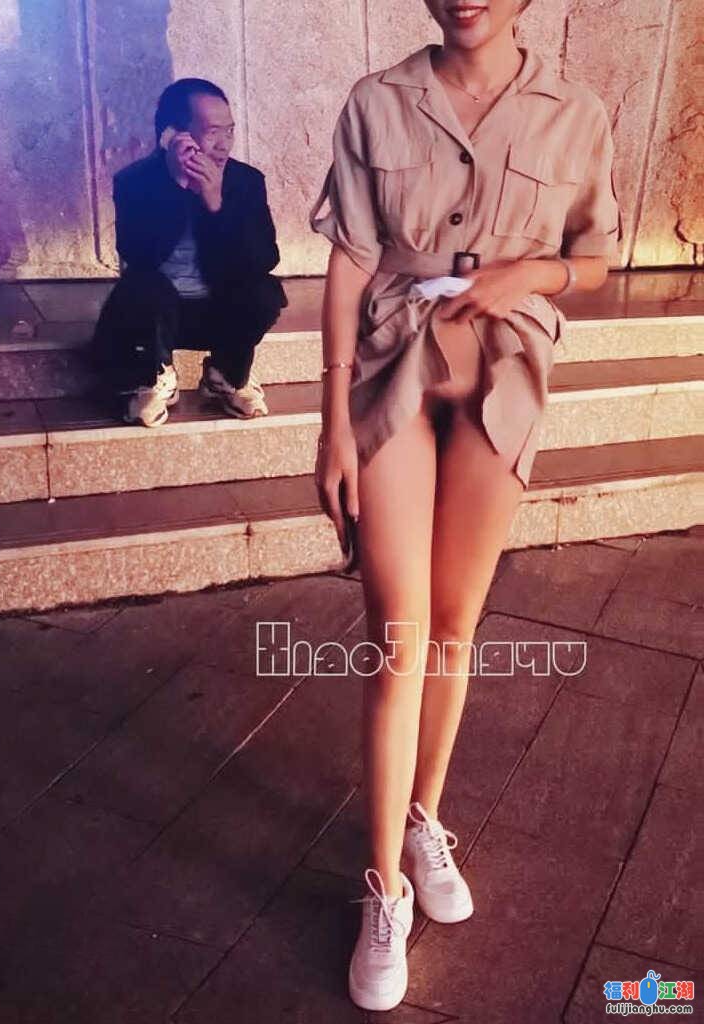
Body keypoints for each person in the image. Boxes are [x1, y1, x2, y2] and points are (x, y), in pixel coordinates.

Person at [309, 0, 621, 1012]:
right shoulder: (377, 101)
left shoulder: (575, 110)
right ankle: (383, 890)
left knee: (453, 626)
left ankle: (422, 819)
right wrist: (329, 423)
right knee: (397, 631)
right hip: (392, 376)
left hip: (506, 378)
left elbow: (597, 256)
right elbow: (350, 260)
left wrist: (535, 270)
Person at [92, 78, 287, 426]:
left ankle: (226, 375)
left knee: (265, 291)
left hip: (217, 311)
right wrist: (176, 187)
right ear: (173, 135)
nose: (223, 144)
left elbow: (263, 259)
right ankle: (154, 376)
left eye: (229, 131)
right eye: (212, 132)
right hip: (156, 316)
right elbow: (139, 256)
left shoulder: (245, 181)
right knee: (143, 286)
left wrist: (216, 204)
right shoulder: (135, 181)